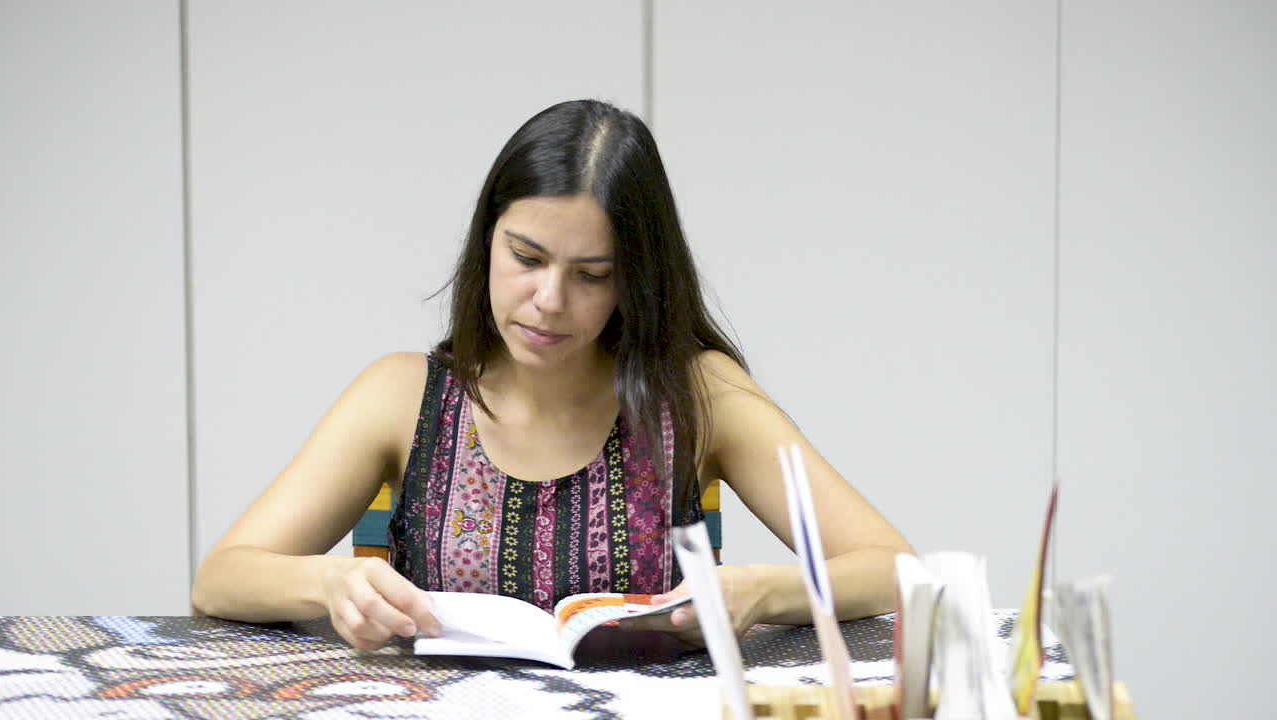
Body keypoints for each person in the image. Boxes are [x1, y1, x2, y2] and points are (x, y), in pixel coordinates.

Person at [192, 99, 913, 652]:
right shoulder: (401, 396)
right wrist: (329, 582)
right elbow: (221, 577)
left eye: (592, 276)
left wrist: (763, 592)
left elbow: (894, 567)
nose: (549, 301)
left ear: (635, 280)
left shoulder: (698, 396)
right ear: (486, 244)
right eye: (527, 258)